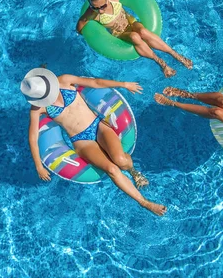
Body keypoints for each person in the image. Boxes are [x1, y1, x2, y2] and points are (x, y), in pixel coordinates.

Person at [21, 67, 167, 216]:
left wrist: (124, 84)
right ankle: (145, 203)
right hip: (81, 141)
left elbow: (95, 83)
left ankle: (133, 171)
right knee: (112, 169)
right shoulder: (37, 108)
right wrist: (39, 166)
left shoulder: (64, 80)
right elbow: (33, 137)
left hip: (98, 126)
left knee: (121, 160)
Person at [76, 0, 192, 78]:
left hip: (131, 22)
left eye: (103, 6)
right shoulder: (91, 13)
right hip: (120, 33)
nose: (100, 10)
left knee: (143, 31)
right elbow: (80, 24)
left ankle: (176, 55)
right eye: (95, 7)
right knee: (134, 36)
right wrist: (86, 34)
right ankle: (162, 64)